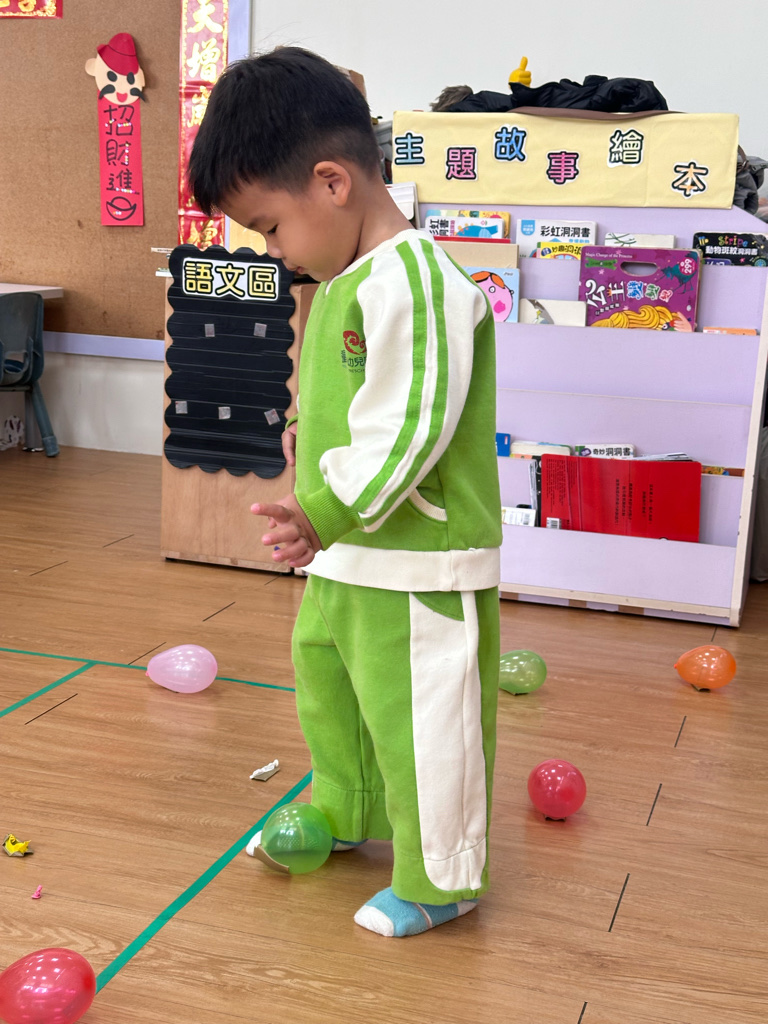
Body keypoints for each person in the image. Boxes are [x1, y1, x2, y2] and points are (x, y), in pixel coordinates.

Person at [188, 47, 502, 938]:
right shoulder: (342, 283)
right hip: (350, 553)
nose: (273, 251)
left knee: (421, 720)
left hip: (419, 563)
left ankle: (442, 876)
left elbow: (411, 423)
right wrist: (304, 432)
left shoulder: (419, 281)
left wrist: (321, 509)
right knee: (330, 688)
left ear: (332, 183)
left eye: (270, 227)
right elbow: (349, 397)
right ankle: (350, 806)